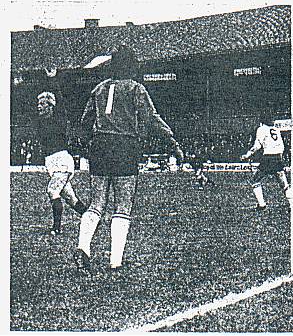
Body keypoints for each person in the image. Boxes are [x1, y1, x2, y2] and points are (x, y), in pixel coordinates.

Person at [73, 46, 183, 272]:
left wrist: (83, 145)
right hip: (124, 146)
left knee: (96, 203)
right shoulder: (136, 89)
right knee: (122, 205)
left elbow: (84, 123)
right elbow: (152, 118)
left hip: (100, 146)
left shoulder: (99, 89)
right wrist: (173, 143)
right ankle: (115, 261)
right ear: (131, 66)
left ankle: (83, 246)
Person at [34, 89, 87, 236]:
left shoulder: (59, 119)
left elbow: (61, 104)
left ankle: (56, 228)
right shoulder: (40, 122)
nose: (39, 106)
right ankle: (90, 217)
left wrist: (53, 79)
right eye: (38, 103)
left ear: (51, 106)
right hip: (51, 163)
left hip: (62, 161)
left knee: (52, 191)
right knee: (70, 198)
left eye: (43, 103)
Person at [240, 111, 292, 210]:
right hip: (278, 158)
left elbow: (257, 146)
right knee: (284, 184)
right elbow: (282, 146)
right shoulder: (276, 129)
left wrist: (247, 155)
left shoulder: (261, 129)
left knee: (255, 180)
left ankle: (261, 204)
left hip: (268, 158)